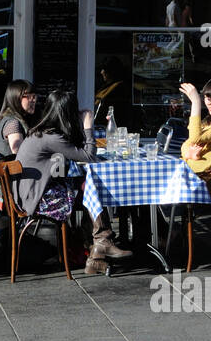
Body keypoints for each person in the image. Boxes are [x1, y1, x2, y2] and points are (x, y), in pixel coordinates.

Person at [12, 91, 133, 276]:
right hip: (39, 200)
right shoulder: (51, 138)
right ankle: (101, 243)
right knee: (90, 190)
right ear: (67, 113)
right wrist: (88, 126)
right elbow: (89, 156)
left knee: (87, 188)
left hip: (31, 194)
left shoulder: (41, 132)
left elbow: (73, 150)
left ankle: (97, 253)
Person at [0, 79, 37, 157]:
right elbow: (19, 153)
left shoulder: (10, 117)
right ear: (16, 98)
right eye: (29, 97)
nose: (33, 100)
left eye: (34, 96)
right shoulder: (13, 123)